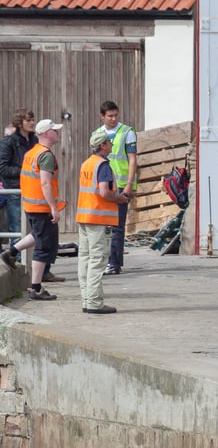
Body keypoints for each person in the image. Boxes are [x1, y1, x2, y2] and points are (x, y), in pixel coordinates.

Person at [0, 118, 66, 300]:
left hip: (31, 204)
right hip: (41, 206)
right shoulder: (45, 155)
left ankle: (11, 252)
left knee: (38, 235)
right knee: (43, 246)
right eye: (54, 130)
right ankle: (36, 288)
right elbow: (45, 182)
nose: (57, 133)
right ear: (46, 134)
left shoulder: (32, 153)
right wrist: (54, 207)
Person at [77, 130, 129, 314]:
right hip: (98, 218)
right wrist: (120, 198)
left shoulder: (87, 163)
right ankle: (94, 302)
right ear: (103, 145)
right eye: (109, 142)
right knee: (98, 259)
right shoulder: (103, 165)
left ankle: (86, 298)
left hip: (84, 217)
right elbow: (104, 193)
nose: (112, 144)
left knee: (85, 257)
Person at [92, 101, 137, 276]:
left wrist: (129, 185)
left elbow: (132, 159)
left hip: (120, 184)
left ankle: (115, 263)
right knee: (103, 226)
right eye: (110, 116)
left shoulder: (127, 132)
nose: (113, 118)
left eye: (115, 115)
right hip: (103, 185)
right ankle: (105, 261)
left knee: (117, 226)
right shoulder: (97, 134)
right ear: (102, 116)